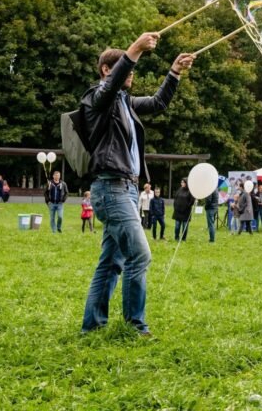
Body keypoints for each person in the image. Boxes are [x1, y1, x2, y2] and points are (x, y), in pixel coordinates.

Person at [81, 32, 193, 335]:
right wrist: (135, 49)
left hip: (128, 189)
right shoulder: (97, 98)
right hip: (112, 188)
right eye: (125, 67)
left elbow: (158, 102)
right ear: (106, 69)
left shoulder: (125, 103)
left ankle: (92, 326)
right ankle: (135, 326)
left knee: (111, 262)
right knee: (140, 255)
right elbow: (110, 86)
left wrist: (174, 72)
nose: (131, 73)